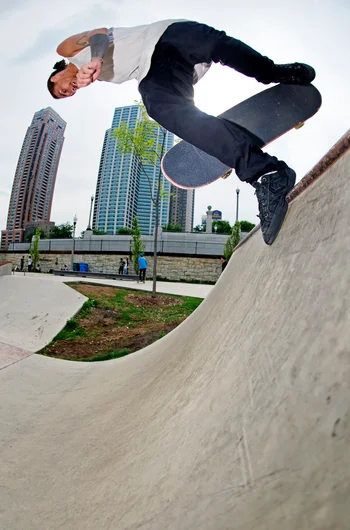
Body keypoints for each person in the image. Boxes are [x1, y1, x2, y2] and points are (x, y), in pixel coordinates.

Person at [47, 20, 316, 245]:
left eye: (62, 90)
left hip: (169, 34)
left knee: (218, 45)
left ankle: (273, 72)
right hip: (155, 71)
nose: (69, 91)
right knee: (161, 106)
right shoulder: (102, 76)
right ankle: (267, 174)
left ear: (54, 76)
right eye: (67, 95)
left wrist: (94, 58)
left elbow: (100, 33)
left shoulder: (68, 52)